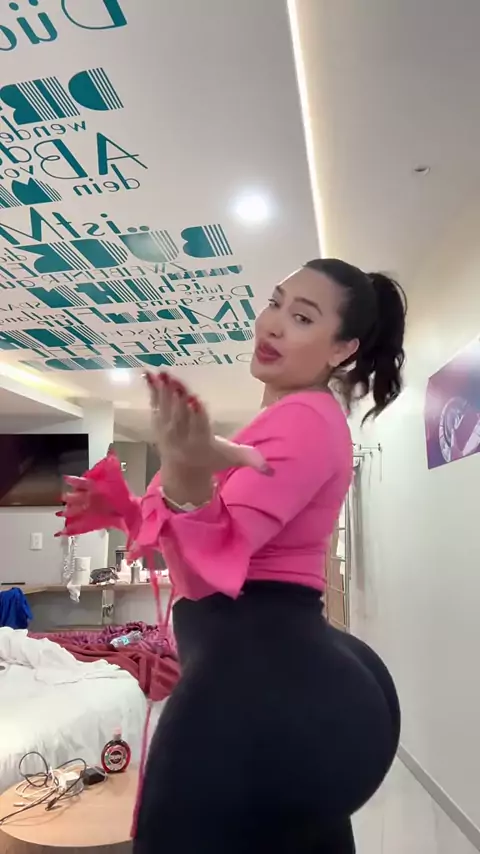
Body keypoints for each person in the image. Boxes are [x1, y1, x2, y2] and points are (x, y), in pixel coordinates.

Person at [58, 258, 406, 853]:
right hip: (277, 671)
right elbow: (203, 532)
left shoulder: (302, 420)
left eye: (303, 318)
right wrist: (128, 508)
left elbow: (209, 569)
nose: (273, 323)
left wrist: (185, 479)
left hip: (256, 674)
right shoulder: (287, 421)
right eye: (275, 302)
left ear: (342, 348)